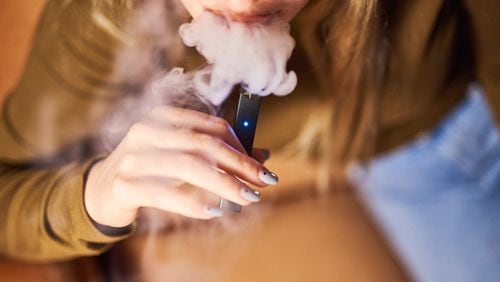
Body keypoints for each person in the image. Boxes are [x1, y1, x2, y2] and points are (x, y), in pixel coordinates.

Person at [1, 0, 499, 281]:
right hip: (411, 167)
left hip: (457, 117)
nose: (242, 4)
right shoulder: (103, 17)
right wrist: (95, 196)